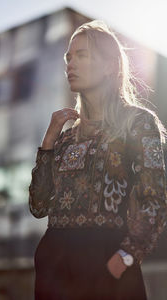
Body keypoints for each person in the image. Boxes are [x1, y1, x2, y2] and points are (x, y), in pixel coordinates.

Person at [29, 20, 167, 300]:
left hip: (107, 264)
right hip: (54, 271)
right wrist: (48, 144)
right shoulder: (65, 138)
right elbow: (38, 206)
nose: (71, 63)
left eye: (82, 55)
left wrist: (126, 257)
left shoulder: (138, 123)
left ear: (110, 66)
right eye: (68, 57)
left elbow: (154, 199)